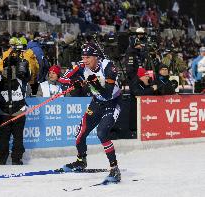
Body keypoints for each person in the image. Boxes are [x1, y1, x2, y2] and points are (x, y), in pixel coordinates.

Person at [59, 43, 122, 182]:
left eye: (88, 57)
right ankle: (81, 161)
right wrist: (75, 81)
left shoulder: (108, 67)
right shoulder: (82, 66)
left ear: (96, 57)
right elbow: (62, 79)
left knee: (102, 133)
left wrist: (93, 83)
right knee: (80, 131)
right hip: (97, 103)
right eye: (83, 57)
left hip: (112, 102)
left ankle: (115, 168)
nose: (85, 60)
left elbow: (107, 94)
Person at [0, 38, 31, 165]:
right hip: (19, 107)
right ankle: (16, 158)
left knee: (4, 135)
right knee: (18, 135)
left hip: (4, 107)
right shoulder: (23, 67)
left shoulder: (1, 69)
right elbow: (30, 79)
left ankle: (2, 158)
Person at [129, 67, 157, 137]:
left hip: (144, 115)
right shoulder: (134, 83)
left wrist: (150, 86)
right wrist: (151, 89)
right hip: (136, 118)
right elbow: (138, 93)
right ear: (141, 77)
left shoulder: (145, 83)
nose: (148, 78)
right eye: (146, 76)